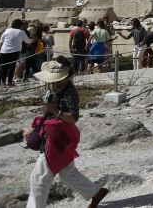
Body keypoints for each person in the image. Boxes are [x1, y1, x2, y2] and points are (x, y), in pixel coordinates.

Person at [25, 58, 108, 208]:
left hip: (58, 138)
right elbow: (49, 114)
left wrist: (54, 111)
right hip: (54, 134)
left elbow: (73, 118)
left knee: (40, 177)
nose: (51, 81)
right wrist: (35, 128)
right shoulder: (57, 88)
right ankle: (95, 192)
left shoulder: (69, 92)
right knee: (67, 172)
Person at [0, 19, 32, 86]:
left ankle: (3, 83)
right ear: (20, 25)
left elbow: (1, 41)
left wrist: (2, 49)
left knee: (3, 67)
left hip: (4, 51)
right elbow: (28, 41)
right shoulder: (21, 32)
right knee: (11, 67)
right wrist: (32, 39)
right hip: (14, 52)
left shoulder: (7, 30)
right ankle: (9, 83)